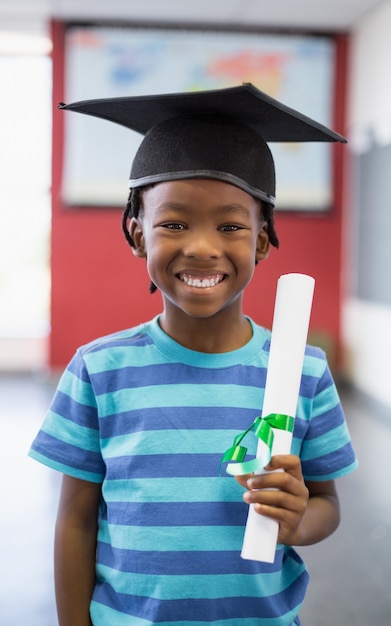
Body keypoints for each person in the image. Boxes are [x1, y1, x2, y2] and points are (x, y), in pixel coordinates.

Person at [30, 84, 357, 626]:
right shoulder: (98, 370)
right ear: (138, 236)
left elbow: (327, 505)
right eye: (174, 224)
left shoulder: (304, 370)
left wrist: (296, 521)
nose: (202, 246)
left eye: (230, 226)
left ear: (260, 240)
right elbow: (76, 523)